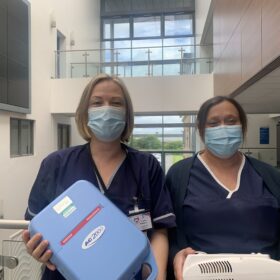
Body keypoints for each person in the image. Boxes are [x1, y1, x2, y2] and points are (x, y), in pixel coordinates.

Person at [22, 73, 176, 280]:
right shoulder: (56, 164)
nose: (106, 109)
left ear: (127, 114)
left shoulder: (146, 167)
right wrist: (36, 247)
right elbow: (35, 227)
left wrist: (157, 277)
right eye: (97, 103)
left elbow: (159, 231)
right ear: (84, 113)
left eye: (116, 103)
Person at [166, 96, 280, 280]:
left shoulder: (270, 176)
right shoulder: (179, 175)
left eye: (231, 121)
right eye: (213, 123)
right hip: (201, 275)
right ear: (201, 130)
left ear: (242, 126)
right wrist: (176, 255)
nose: (223, 128)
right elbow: (167, 232)